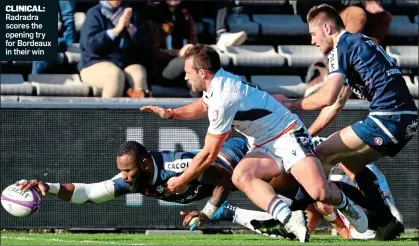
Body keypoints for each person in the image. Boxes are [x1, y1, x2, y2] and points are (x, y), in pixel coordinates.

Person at [140, 44, 369, 242]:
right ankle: (289, 219)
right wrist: (172, 113)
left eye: (188, 72)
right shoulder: (217, 85)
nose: (185, 76)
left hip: (289, 135)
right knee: (240, 177)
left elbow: (209, 154)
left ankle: (346, 205)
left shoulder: (223, 98)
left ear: (202, 72)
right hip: (263, 143)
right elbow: (202, 105)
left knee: (320, 193)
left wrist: (181, 179)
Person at [275, 4, 417, 240]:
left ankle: (291, 216)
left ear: (327, 28)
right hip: (406, 118)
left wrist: (290, 104)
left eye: (313, 33)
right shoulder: (357, 43)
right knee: (351, 164)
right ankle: (385, 222)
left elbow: (327, 96)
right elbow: (337, 104)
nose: (312, 41)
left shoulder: (341, 47)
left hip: (387, 117)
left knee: (319, 156)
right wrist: (308, 132)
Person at [17, 137, 292, 239]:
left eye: (128, 170)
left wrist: (207, 212)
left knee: (301, 196)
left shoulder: (177, 168)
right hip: (226, 182)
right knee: (296, 216)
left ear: (146, 164)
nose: (123, 176)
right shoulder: (132, 180)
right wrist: (49, 187)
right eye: (122, 170)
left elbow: (223, 179)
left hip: (243, 153)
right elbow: (88, 193)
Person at [78, 0, 152, 98]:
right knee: (115, 75)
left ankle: (139, 112)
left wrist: (132, 30)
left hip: (125, 62)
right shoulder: (94, 13)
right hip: (94, 63)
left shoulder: (132, 13)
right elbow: (90, 45)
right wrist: (116, 31)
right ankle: (108, 113)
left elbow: (146, 44)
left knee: (138, 73)